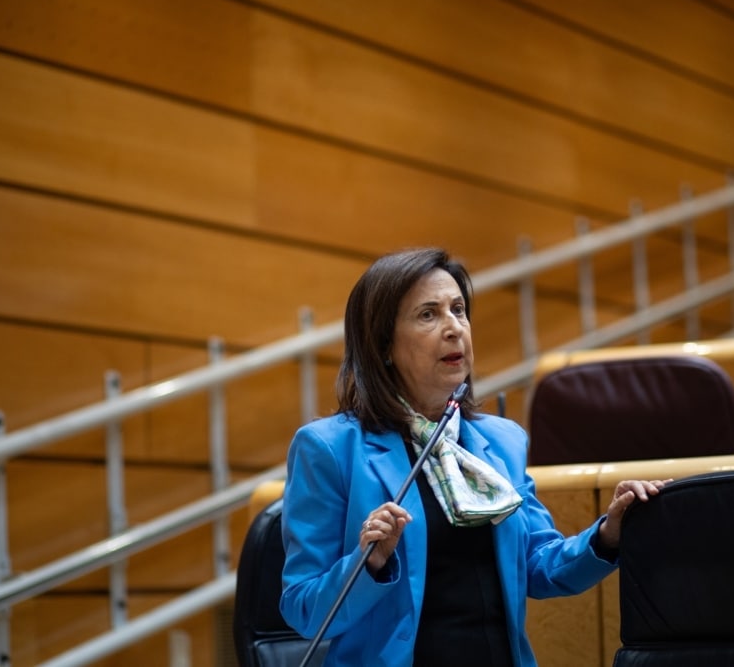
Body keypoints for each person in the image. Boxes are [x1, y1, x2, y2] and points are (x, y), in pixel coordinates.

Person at [279, 247, 669, 666]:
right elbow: (303, 608)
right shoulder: (331, 449)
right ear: (383, 344)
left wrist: (609, 533)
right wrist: (369, 560)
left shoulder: (501, 442)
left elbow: (539, 566)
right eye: (428, 315)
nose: (454, 328)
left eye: (458, 310)